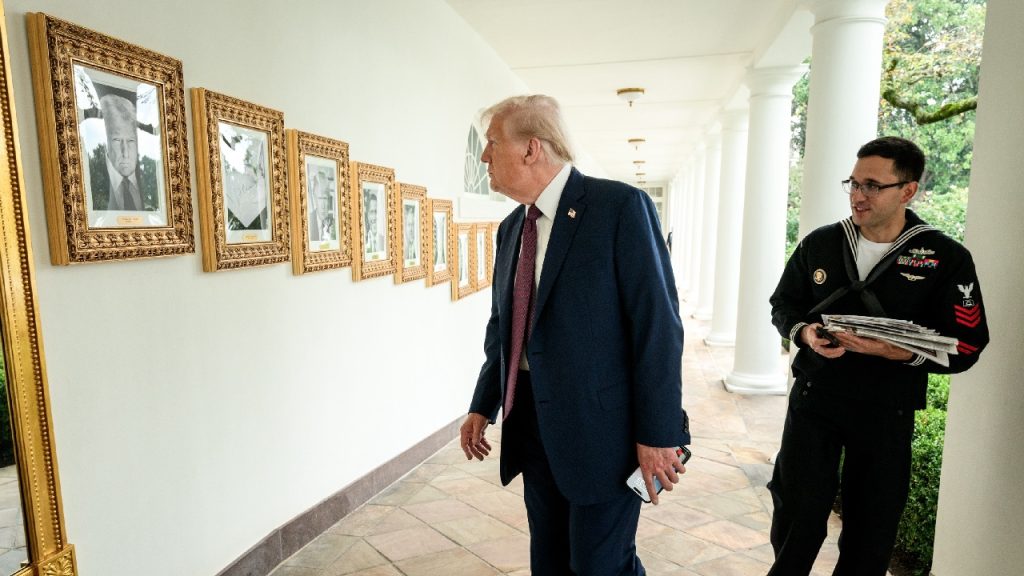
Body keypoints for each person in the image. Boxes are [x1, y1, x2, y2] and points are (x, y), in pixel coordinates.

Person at [460, 95, 689, 576]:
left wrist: (659, 433)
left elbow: (657, 327)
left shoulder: (619, 208)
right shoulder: (511, 229)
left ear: (531, 149)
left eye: (492, 143)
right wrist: (483, 404)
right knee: (549, 561)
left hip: (605, 433)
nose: (484, 157)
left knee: (600, 565)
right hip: (533, 426)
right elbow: (504, 327)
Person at [766, 136, 990, 576]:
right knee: (796, 512)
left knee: (872, 525)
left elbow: (967, 345)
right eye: (853, 183)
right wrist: (805, 333)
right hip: (815, 398)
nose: (857, 194)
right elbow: (783, 304)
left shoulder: (945, 257)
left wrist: (897, 351)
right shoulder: (821, 242)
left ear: (908, 190)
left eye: (872, 185)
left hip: (887, 408)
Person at [93, 93, 156, 211]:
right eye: (117, 140)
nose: (125, 153)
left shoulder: (153, 179)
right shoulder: (93, 180)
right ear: (105, 142)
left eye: (131, 141)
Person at [308, 170, 335, 242]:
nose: (323, 206)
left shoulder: (334, 224)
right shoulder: (308, 221)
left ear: (328, 199)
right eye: (320, 198)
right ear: (315, 198)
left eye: (325, 198)